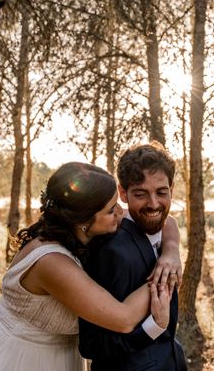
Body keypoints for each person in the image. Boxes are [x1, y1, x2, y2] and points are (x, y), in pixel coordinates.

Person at [0, 162, 182, 371]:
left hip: (62, 354)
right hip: (19, 358)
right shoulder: (51, 263)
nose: (120, 213)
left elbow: (167, 221)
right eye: (110, 210)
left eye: (117, 204)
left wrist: (170, 252)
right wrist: (164, 276)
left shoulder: (80, 226)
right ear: (83, 220)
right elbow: (124, 318)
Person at [79, 143, 188, 370]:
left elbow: (170, 223)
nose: (154, 204)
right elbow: (92, 344)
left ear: (172, 189)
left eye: (161, 192)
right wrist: (154, 327)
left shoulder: (160, 228)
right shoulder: (112, 252)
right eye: (140, 194)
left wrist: (171, 249)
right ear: (122, 193)